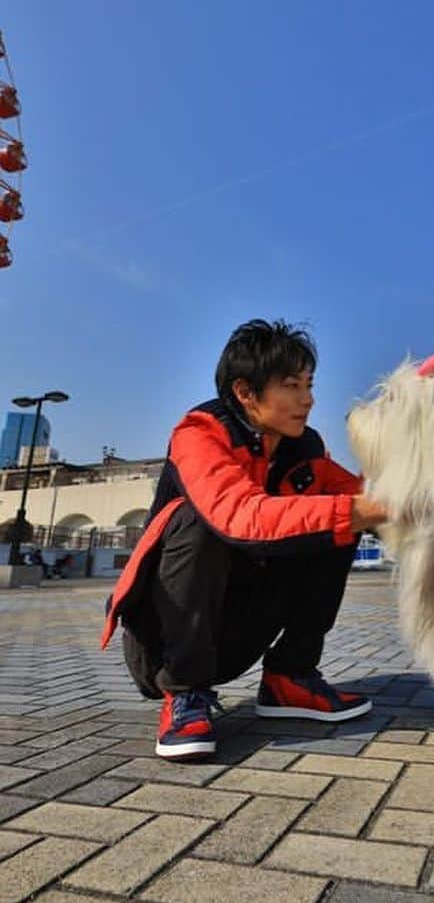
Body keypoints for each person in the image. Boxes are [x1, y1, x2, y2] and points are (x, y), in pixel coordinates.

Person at [101, 319, 388, 759]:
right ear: (245, 393)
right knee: (197, 520)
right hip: (162, 647)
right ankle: (184, 694)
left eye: (309, 384)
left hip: (237, 635)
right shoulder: (200, 434)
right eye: (291, 385)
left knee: (337, 521)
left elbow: (367, 498)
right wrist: (363, 509)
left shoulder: (304, 448)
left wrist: (422, 444)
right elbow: (239, 518)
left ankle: (289, 677)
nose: (307, 399)